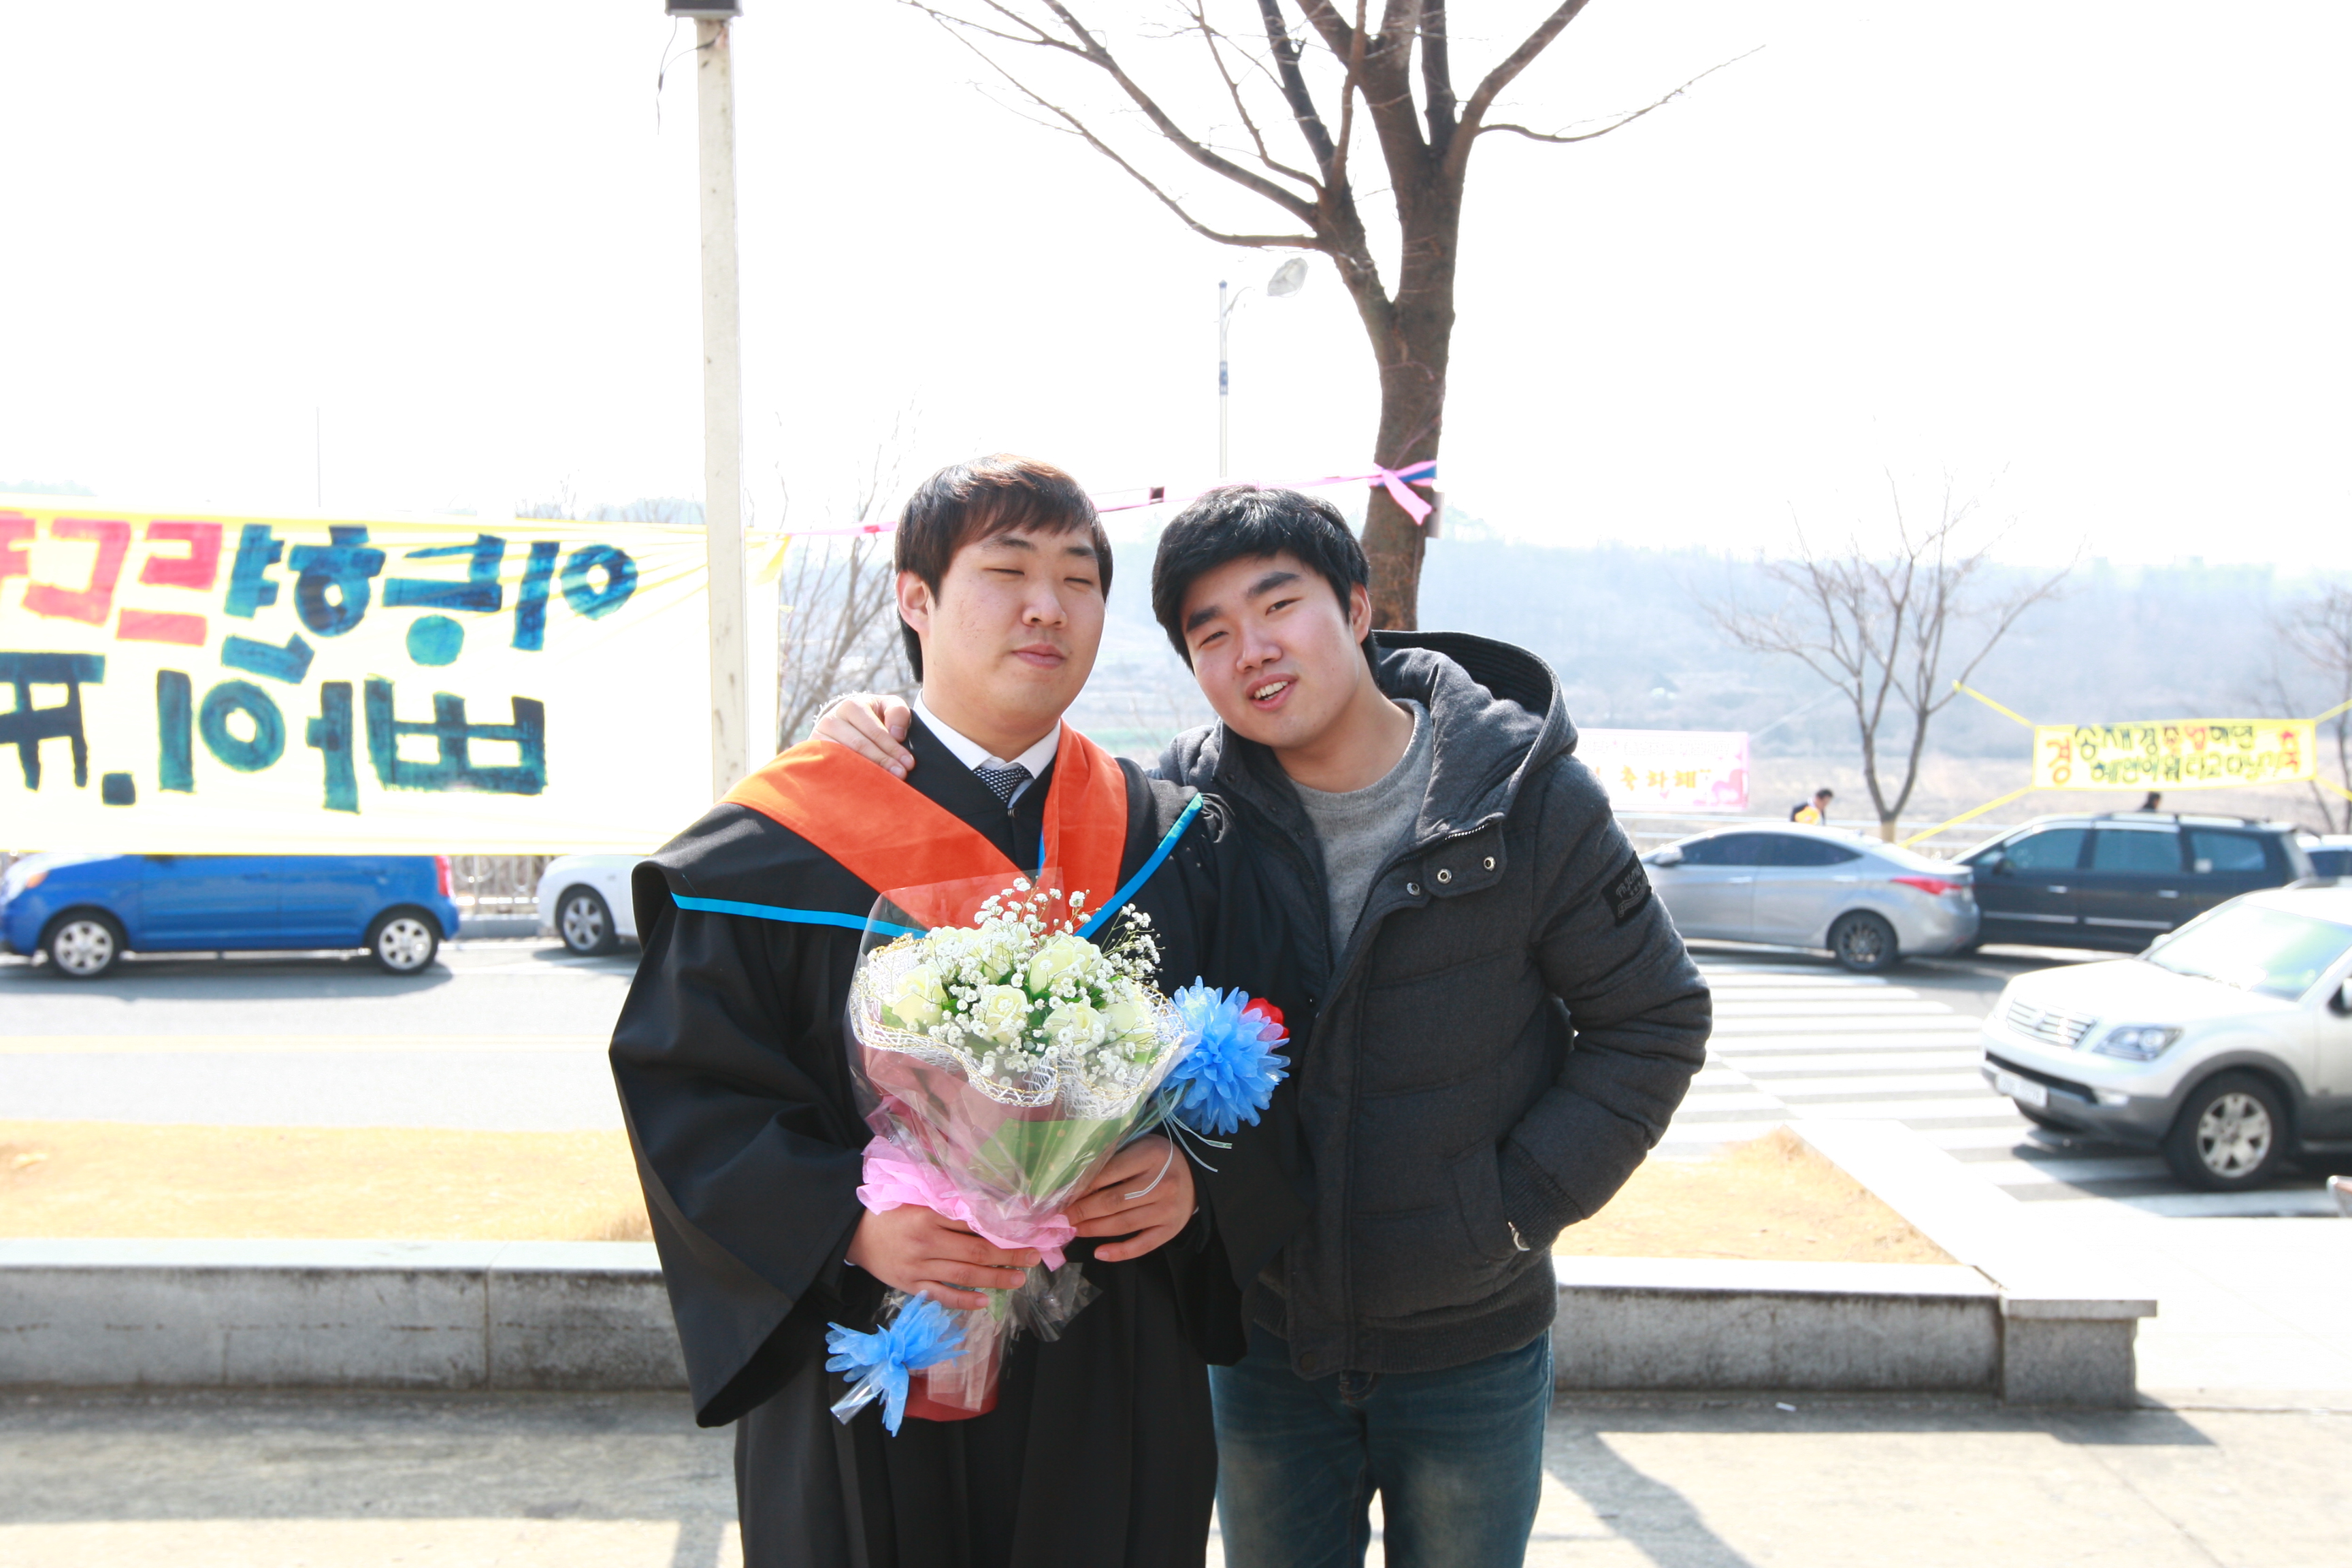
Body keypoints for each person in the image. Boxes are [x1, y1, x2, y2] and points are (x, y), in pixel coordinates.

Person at [815, 484, 1711, 1568]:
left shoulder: (1524, 801)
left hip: (1471, 1340)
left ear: (1359, 606)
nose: (1254, 650)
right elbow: (1029, 863)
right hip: (1264, 1341)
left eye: (1279, 606)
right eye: (1212, 634)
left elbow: (1654, 1020)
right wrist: (878, 728)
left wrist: (1512, 1211)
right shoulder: (1183, 817)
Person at [611, 457, 1304, 1568]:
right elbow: (688, 1089)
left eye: (1079, 578)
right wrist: (847, 1226)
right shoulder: (783, 842)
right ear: (916, 598)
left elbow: (1281, 1059)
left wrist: (1198, 1187)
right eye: (1008, 571)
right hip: (871, 1349)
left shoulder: (1174, 839)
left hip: (1112, 1368)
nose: (1048, 607)